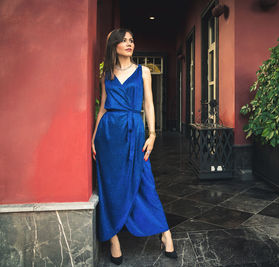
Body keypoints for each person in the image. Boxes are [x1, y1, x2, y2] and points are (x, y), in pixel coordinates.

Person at [92, 28, 177, 265]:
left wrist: (152, 133)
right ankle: (112, 238)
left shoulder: (144, 71)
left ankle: (165, 233)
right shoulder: (106, 73)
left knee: (144, 181)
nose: (129, 44)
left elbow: (149, 104)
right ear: (114, 46)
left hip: (133, 130)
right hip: (108, 134)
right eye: (124, 40)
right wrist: (94, 135)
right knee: (109, 186)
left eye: (131, 40)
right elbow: (102, 108)